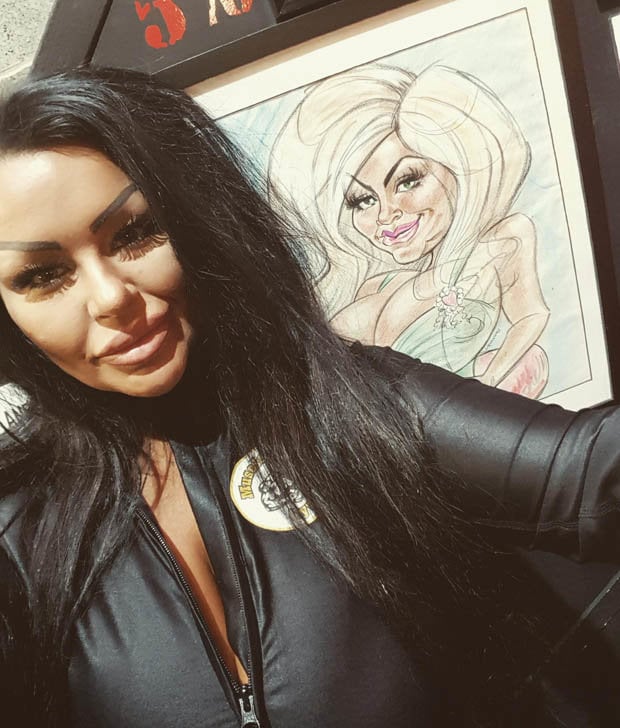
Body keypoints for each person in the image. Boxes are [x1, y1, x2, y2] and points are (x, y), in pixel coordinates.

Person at [0, 68, 619, 727]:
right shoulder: (17, 530)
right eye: (43, 275)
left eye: (134, 233)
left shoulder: (352, 407)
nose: (110, 298)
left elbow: (590, 475)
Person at [268, 64, 550, 397]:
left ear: (456, 163)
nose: (386, 215)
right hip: (424, 422)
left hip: (484, 402)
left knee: (534, 363)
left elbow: (532, 314)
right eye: (363, 200)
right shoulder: (374, 292)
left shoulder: (507, 239)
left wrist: (488, 386)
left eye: (407, 181)